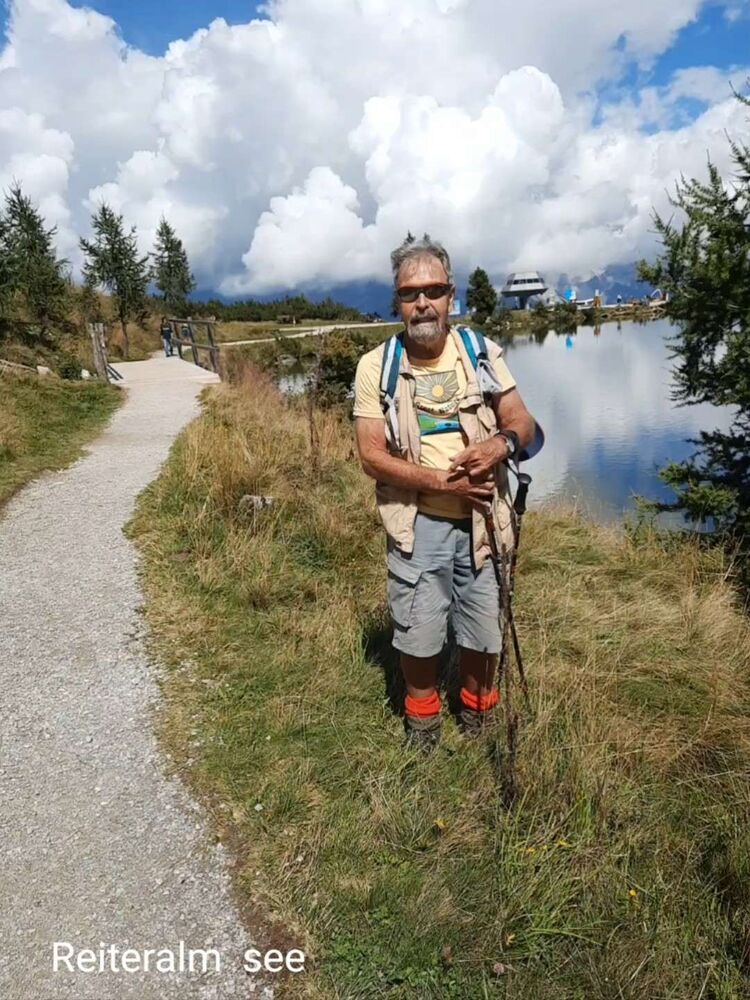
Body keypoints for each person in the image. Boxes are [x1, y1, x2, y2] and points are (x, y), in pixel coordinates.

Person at [353, 234, 538, 751]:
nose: (422, 303)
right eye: (409, 293)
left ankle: (478, 718)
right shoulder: (376, 366)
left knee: (484, 627)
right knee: (418, 631)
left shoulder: (480, 353)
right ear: (397, 301)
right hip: (418, 522)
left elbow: (525, 424)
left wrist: (500, 445)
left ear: (451, 295)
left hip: (485, 521)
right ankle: (423, 725)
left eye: (433, 290)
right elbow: (370, 455)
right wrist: (441, 482)